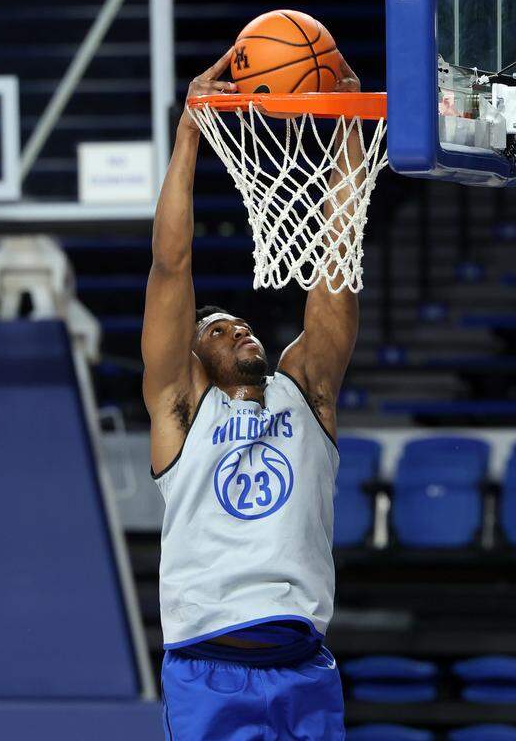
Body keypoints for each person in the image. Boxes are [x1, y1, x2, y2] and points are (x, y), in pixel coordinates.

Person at [141, 48, 363, 740]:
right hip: (208, 665)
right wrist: (189, 135)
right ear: (195, 359)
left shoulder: (308, 392)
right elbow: (171, 266)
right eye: (215, 328)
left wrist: (350, 133)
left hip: (304, 664)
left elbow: (337, 258)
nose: (234, 326)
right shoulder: (182, 412)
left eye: (239, 322)